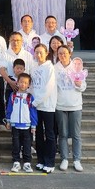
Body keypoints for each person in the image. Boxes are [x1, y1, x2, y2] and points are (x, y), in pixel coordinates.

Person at [55, 45, 87, 172]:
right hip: (60, 105)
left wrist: (79, 84)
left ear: (70, 54)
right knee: (62, 134)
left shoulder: (76, 66)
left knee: (76, 134)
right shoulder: (55, 68)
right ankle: (64, 158)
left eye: (65, 53)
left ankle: (77, 159)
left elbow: (83, 86)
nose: (62, 55)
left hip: (75, 105)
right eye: (60, 53)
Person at [31, 43, 57, 174]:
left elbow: (49, 87)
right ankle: (41, 160)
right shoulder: (34, 67)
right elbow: (32, 86)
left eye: (41, 52)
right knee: (39, 134)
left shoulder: (50, 67)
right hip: (36, 106)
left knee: (50, 135)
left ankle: (50, 162)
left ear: (46, 53)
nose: (39, 55)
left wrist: (36, 102)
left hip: (47, 106)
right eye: (36, 52)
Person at [5, 72, 37, 173]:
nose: (23, 84)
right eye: (21, 82)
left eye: (26, 83)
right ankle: (16, 162)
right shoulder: (13, 95)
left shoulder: (29, 97)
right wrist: (8, 121)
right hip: (15, 125)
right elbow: (9, 109)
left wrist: (33, 125)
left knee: (27, 144)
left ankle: (27, 163)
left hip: (27, 126)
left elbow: (33, 112)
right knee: (16, 144)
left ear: (28, 85)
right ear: (17, 82)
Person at [0, 32, 33, 102]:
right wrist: (10, 82)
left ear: (22, 41)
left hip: (26, 89)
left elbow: (32, 72)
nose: (15, 42)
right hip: (11, 87)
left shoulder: (28, 55)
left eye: (18, 40)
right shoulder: (5, 54)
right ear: (9, 41)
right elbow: (2, 70)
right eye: (13, 40)